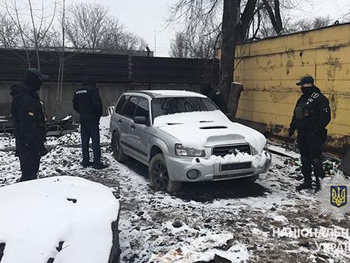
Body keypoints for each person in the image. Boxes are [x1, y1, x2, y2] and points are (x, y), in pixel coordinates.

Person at [289, 76, 331, 192]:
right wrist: (292, 127)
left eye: (303, 85)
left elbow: (325, 117)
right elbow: (296, 114)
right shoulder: (302, 99)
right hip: (302, 133)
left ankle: (320, 185)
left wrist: (315, 131)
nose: (302, 88)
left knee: (315, 159)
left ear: (309, 84)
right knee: (305, 158)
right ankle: (307, 181)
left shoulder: (320, 99)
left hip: (314, 135)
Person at [10, 68, 49, 182]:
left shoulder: (29, 96)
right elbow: (28, 124)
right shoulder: (26, 98)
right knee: (29, 176)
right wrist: (38, 145)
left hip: (29, 143)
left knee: (31, 174)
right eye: (40, 80)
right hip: (28, 144)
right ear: (34, 81)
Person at [73, 76, 108, 169]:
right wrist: (97, 115)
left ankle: (85, 161)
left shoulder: (78, 91)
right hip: (92, 119)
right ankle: (97, 163)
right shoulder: (93, 90)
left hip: (83, 118)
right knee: (95, 141)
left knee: (85, 141)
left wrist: (82, 112)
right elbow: (98, 104)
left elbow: (75, 105)